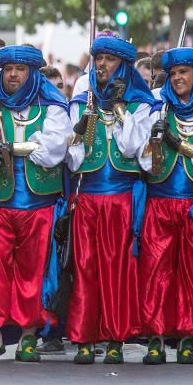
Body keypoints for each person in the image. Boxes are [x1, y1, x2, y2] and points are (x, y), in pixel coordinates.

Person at [0, 45, 71, 362]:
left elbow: (53, 150)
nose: (13, 74)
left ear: (32, 73)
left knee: (33, 271)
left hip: (38, 203)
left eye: (21, 69)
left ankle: (30, 334)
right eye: (9, 69)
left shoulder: (53, 107)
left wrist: (12, 147)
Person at [65, 33, 155, 364]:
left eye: (110, 60)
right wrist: (81, 129)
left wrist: (119, 109)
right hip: (87, 197)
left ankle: (116, 338)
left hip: (121, 198)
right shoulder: (80, 99)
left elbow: (134, 148)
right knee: (85, 266)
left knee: (118, 269)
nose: (102, 65)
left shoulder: (141, 104)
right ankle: (84, 337)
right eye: (98, 58)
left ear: (123, 66)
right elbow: (73, 158)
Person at [136, 47, 193, 364]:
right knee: (156, 270)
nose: (176, 78)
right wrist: (154, 141)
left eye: (183, 73)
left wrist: (178, 144)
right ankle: (156, 338)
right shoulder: (157, 112)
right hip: (160, 204)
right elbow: (144, 162)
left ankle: (188, 338)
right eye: (173, 73)